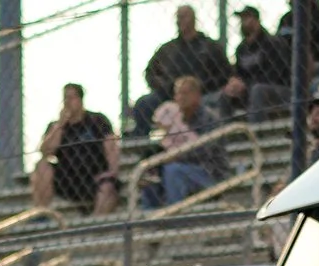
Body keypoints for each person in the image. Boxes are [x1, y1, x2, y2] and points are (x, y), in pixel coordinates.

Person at [134, 6, 233, 135]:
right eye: (177, 17)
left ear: (193, 19)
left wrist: (200, 87)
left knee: (215, 102)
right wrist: (166, 87)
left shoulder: (210, 47)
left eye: (183, 17)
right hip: (170, 95)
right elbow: (150, 73)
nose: (179, 21)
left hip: (203, 94)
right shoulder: (167, 49)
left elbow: (225, 73)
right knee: (144, 103)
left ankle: (209, 142)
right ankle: (141, 145)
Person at [30, 83, 121, 215]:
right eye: (65, 98)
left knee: (107, 187)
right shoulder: (56, 126)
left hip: (94, 175)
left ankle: (94, 226)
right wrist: (60, 125)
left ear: (80, 99)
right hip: (68, 177)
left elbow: (111, 147)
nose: (68, 102)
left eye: (72, 98)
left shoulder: (97, 120)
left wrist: (112, 171)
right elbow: (45, 152)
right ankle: (41, 214)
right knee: (42, 166)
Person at [145, 75, 229, 208]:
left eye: (184, 93)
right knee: (149, 176)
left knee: (173, 170)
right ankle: (150, 221)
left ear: (197, 95)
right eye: (177, 93)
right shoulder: (174, 117)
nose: (179, 97)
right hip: (179, 166)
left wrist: (174, 156)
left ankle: (173, 217)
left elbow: (205, 151)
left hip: (209, 173)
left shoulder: (210, 118)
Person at [222, 6, 292, 118]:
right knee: (225, 94)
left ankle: (256, 131)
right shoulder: (241, 49)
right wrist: (234, 83)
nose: (243, 22)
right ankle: (225, 132)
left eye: (247, 18)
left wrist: (246, 85)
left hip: (280, 90)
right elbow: (239, 74)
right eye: (241, 19)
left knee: (258, 90)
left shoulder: (273, 43)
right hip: (249, 90)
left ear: (257, 20)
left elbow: (274, 76)